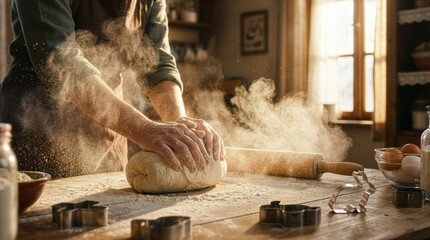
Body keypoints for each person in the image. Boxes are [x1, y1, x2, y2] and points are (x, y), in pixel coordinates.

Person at [0, 0, 225, 178]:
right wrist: (145, 130)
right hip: (39, 131)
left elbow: (158, 64)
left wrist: (181, 129)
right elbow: (60, 59)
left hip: (110, 136)